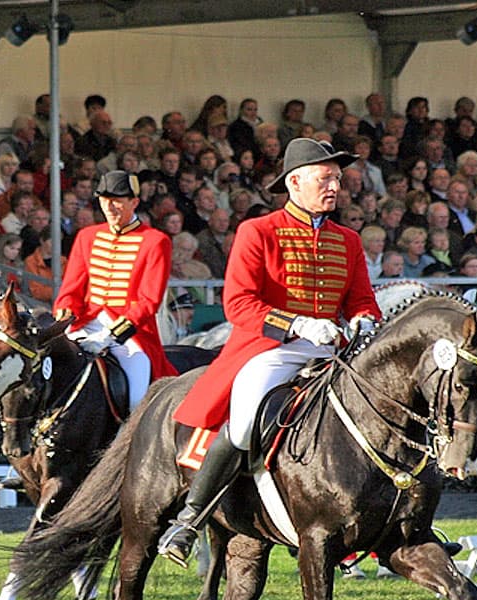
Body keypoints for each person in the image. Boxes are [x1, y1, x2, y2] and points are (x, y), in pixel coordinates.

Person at [156, 139, 381, 567]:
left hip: (333, 348)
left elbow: (361, 300)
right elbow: (238, 304)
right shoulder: (258, 231)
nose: (334, 186)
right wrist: (295, 323)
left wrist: (364, 320)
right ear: (295, 182)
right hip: (274, 348)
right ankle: (187, 520)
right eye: (325, 178)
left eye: (337, 178)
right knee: (243, 424)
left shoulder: (348, 240)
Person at [54, 171, 176, 415]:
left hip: (130, 334)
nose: (110, 206)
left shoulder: (155, 241)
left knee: (136, 401)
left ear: (134, 202)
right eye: (104, 199)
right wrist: (65, 314)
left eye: (117, 200)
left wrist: (110, 335)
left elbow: (148, 301)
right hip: (85, 323)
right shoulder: (87, 236)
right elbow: (71, 289)